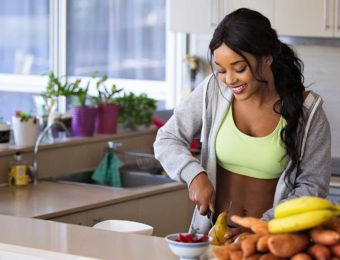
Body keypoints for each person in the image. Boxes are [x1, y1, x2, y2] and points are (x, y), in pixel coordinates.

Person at [153, 8, 331, 241]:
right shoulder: (213, 90)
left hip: (269, 242)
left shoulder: (308, 110)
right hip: (213, 239)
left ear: (267, 58)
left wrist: (260, 226)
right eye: (221, 70)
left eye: (239, 68)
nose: (229, 80)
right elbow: (167, 139)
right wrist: (195, 175)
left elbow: (312, 186)